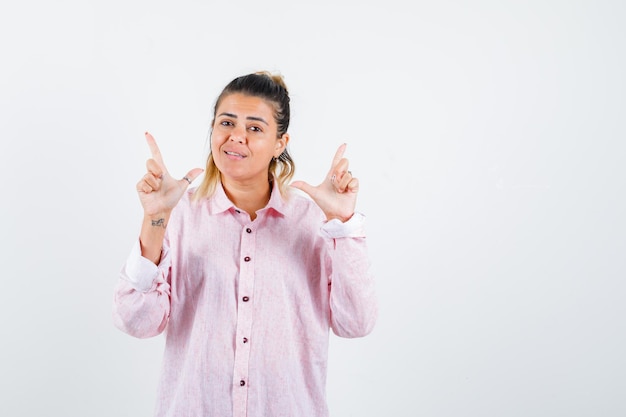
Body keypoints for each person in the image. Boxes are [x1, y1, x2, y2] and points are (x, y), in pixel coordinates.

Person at [112, 71, 377, 417]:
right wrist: (156, 218)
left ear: (280, 143)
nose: (236, 136)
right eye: (226, 123)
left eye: (254, 128)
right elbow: (137, 322)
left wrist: (343, 223)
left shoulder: (314, 222)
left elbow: (355, 323)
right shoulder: (180, 216)